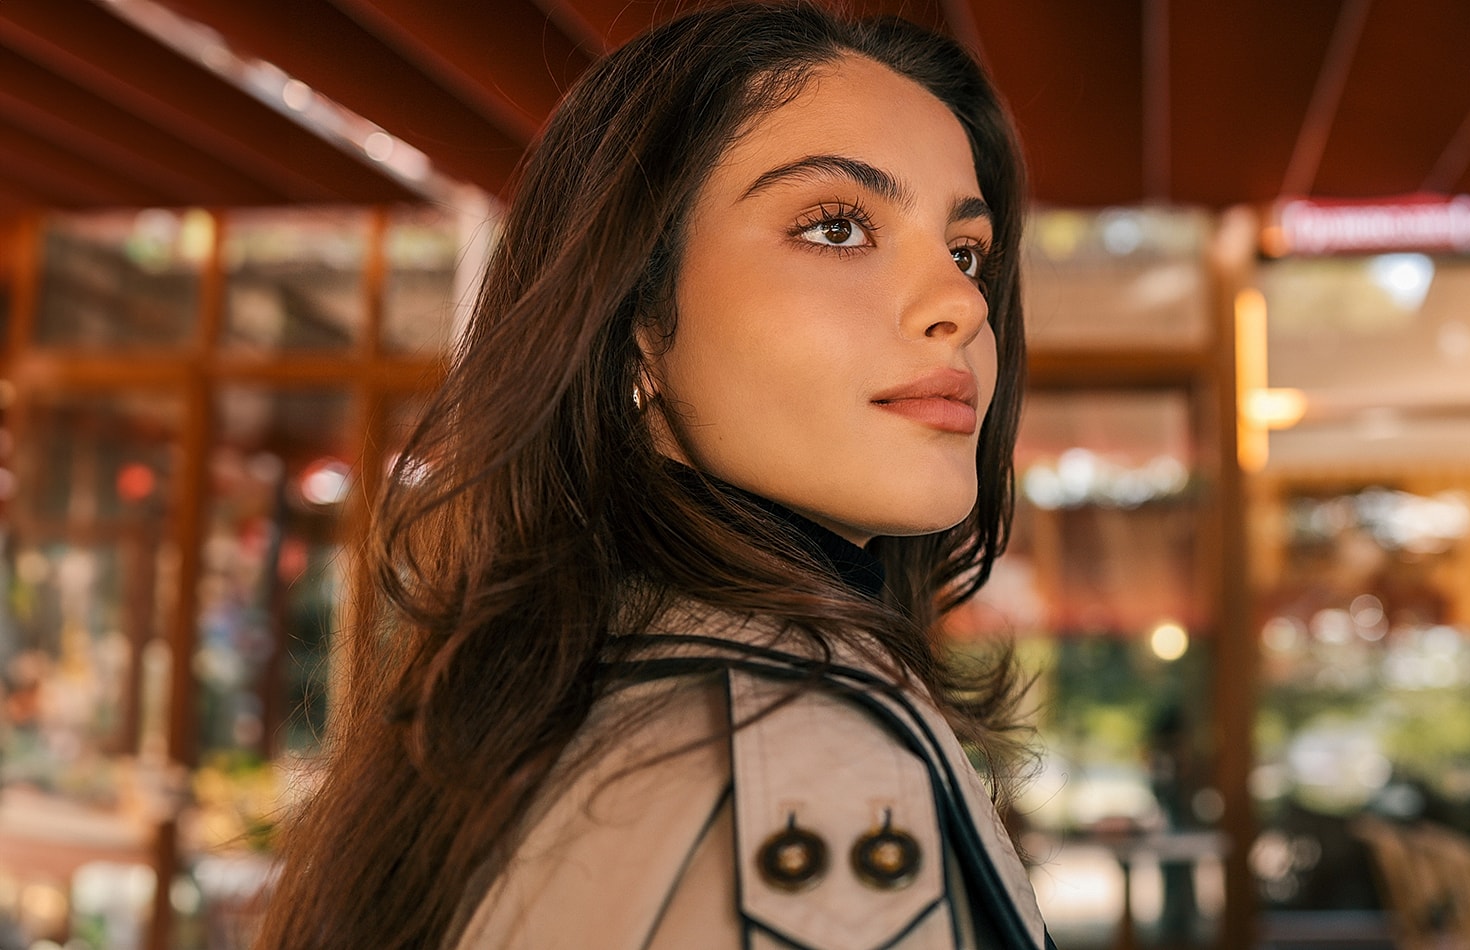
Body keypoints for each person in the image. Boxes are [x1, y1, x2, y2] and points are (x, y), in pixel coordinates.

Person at [254, 3, 1049, 947]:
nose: (961, 300)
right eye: (838, 228)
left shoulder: (529, 719)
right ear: (635, 320)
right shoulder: (808, 771)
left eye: (967, 252)